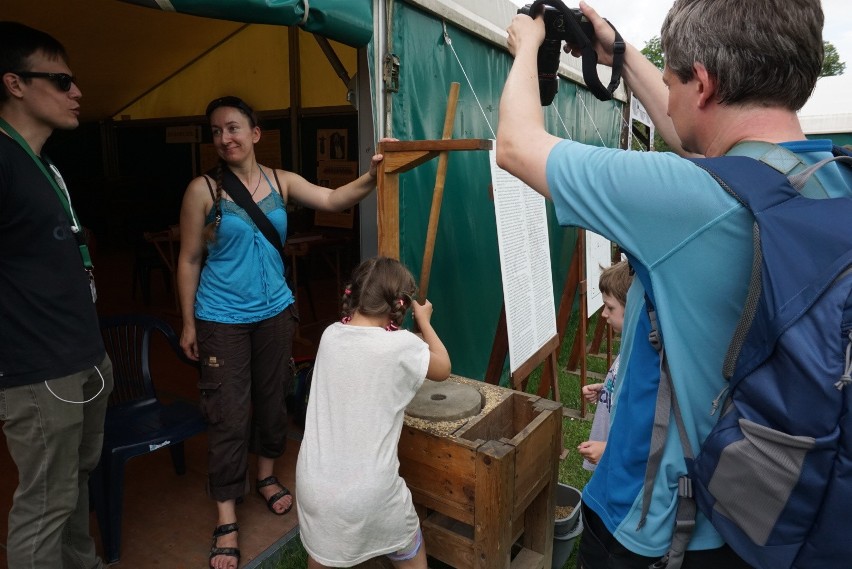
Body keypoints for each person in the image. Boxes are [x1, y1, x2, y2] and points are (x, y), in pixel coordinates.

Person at [497, 0, 852, 567]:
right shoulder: (830, 182)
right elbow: (704, 142)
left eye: (671, 83)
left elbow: (516, 146)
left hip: (658, 531)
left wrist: (527, 46)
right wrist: (620, 52)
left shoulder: (690, 200)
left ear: (704, 85)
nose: (667, 97)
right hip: (760, 515)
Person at [176, 96, 388, 569]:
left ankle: (267, 476)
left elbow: (334, 199)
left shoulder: (280, 181)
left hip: (275, 311)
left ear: (255, 133)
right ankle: (227, 515)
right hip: (221, 316)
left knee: (273, 399)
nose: (224, 138)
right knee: (227, 412)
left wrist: (372, 177)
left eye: (233, 128)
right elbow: (190, 258)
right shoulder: (203, 190)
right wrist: (189, 320)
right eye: (215, 131)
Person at [0, 21, 114, 569]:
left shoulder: (41, 163)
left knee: (74, 484)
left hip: (83, 358)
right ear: (15, 83)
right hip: (37, 372)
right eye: (63, 80)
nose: (78, 93)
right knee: (45, 505)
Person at [295, 256, 451, 569]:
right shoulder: (402, 345)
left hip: (312, 486)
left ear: (353, 294)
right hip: (370, 493)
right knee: (408, 542)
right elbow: (443, 368)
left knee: (323, 552)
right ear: (401, 305)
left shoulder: (329, 335)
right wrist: (425, 322)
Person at [577, 260, 631, 471]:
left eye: (610, 307)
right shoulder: (629, 342)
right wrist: (606, 388)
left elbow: (643, 428)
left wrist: (608, 450)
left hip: (617, 456)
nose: (604, 313)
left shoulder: (641, 355)